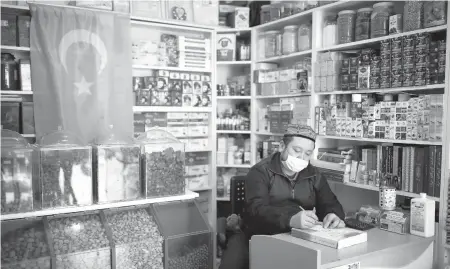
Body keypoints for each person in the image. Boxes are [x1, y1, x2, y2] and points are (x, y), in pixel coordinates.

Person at [219, 124, 345, 269]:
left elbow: (330, 202)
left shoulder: (314, 174)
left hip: (296, 236)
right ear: (281, 146)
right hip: (255, 234)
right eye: (297, 150)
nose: (302, 158)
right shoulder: (260, 172)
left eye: (308, 153)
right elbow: (256, 211)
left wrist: (333, 214)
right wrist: (290, 219)